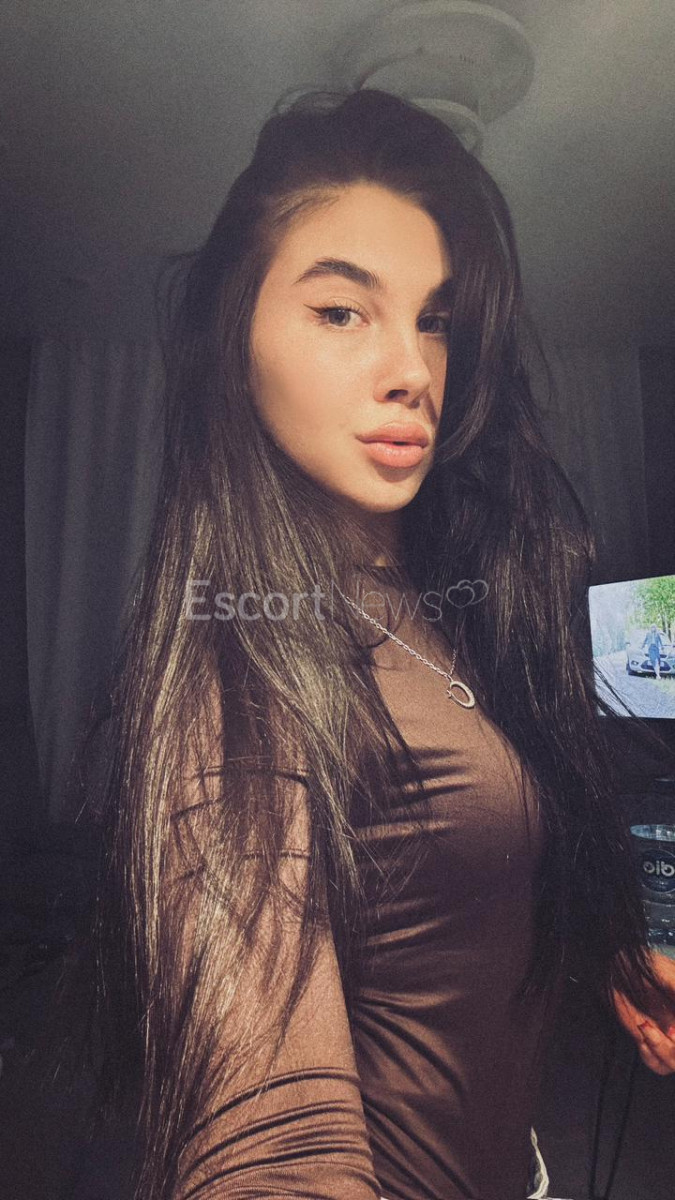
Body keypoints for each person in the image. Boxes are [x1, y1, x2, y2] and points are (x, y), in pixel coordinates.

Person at [85, 90, 675, 1200]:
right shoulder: (241, 663)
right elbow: (273, 1146)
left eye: (435, 319)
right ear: (234, 346)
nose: (412, 367)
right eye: (341, 311)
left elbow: (448, 874)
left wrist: (597, 947)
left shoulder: (448, 594)